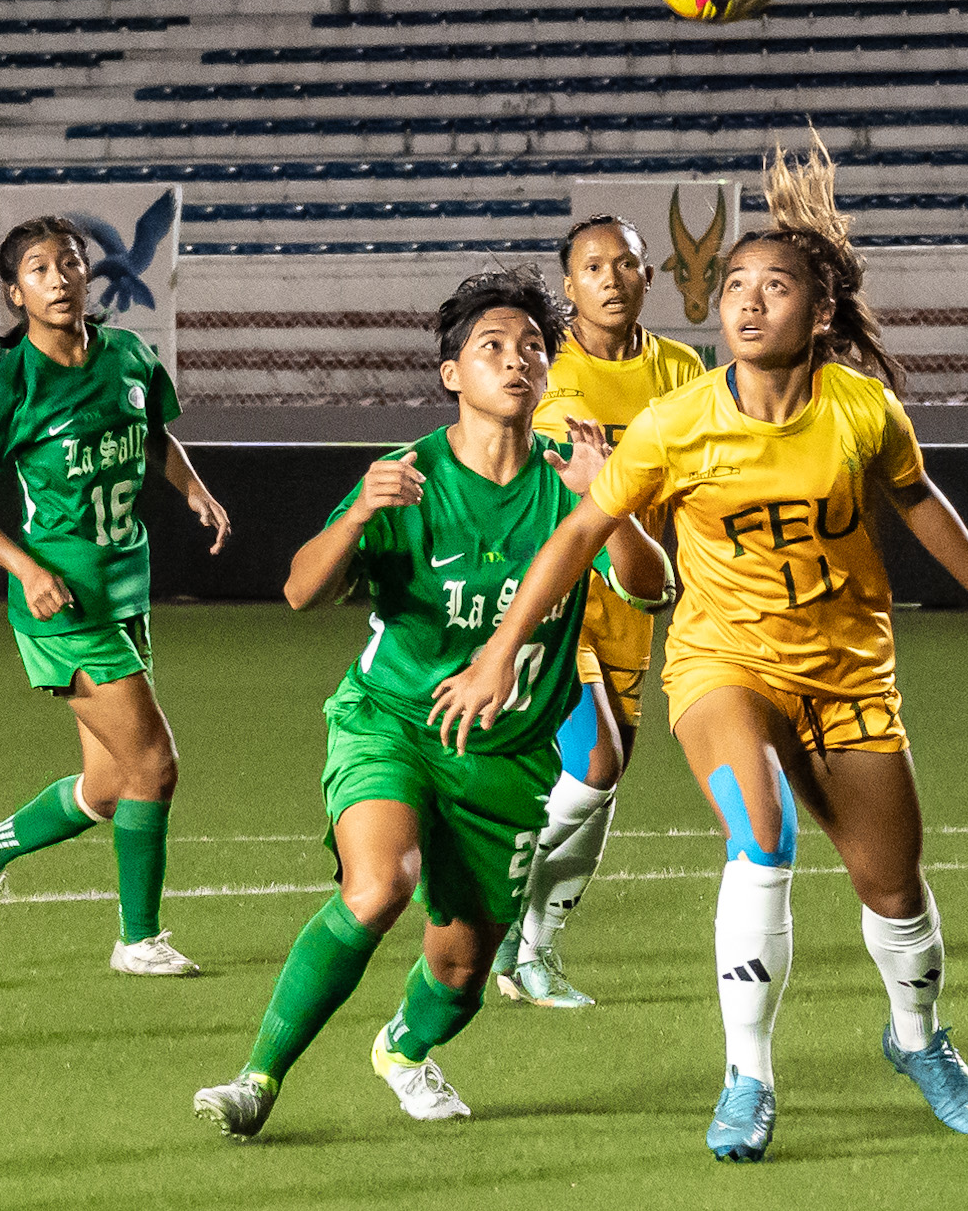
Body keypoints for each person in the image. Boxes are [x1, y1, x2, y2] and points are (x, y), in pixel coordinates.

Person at [429, 135, 968, 1162]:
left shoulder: (860, 409)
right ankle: (747, 1078)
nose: (750, 301)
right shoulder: (678, 422)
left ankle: (916, 1040)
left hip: (849, 673)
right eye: (734, 286)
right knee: (759, 836)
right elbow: (579, 532)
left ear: (817, 314)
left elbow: (915, 499)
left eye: (775, 287)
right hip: (721, 666)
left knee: (891, 887)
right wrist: (504, 647)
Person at [192, 267, 673, 1142]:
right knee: (381, 884)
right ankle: (256, 1076)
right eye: (492, 346)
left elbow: (654, 589)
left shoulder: (571, 478)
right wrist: (353, 517)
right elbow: (301, 591)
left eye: (532, 346)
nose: (516, 359)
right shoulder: (409, 475)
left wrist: (617, 503)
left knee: (458, 976)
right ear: (452, 372)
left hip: (507, 757)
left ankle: (404, 1046)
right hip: (392, 723)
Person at [0, 216, 231, 976]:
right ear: (16, 293)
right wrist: (27, 569)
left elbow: (155, 436)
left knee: (108, 787)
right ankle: (139, 940)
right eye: (39, 269)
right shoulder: (13, 387)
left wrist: (193, 489)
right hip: (61, 605)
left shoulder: (130, 355)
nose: (60, 276)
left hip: (124, 588)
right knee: (156, 765)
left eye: (69, 262)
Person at [493, 214, 707, 1008]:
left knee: (596, 795)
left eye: (626, 263)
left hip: (635, 600)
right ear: (571, 286)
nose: (612, 278)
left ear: (652, 276)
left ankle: (531, 951)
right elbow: (571, 479)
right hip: (556, 602)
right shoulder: (556, 371)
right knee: (596, 763)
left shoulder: (684, 370)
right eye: (592, 267)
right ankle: (491, 904)